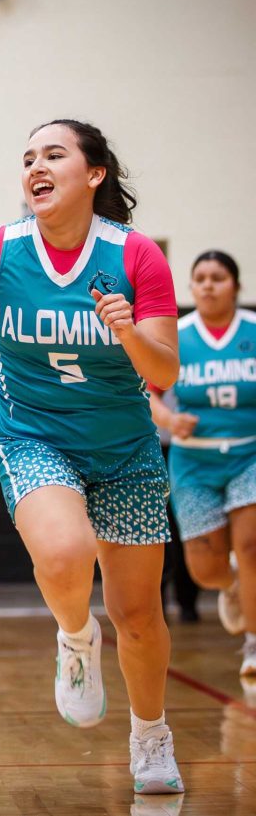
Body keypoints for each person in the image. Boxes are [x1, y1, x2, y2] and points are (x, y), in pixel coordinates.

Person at [0, 119, 185, 794]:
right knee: (62, 551)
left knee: (139, 615)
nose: (36, 166)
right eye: (28, 157)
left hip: (126, 450)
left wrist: (127, 332)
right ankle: (76, 638)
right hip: (31, 435)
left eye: (54, 154)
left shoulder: (137, 256)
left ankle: (151, 735)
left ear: (94, 174)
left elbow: (165, 366)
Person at [149, 250, 256, 676]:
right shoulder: (177, 335)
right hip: (194, 461)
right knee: (205, 570)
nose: (209, 284)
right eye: (200, 278)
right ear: (191, 288)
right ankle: (231, 586)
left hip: (249, 452)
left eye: (218, 277)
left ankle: (252, 642)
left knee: (251, 547)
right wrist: (171, 420)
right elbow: (150, 394)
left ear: (236, 285)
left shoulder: (252, 331)